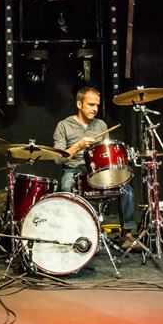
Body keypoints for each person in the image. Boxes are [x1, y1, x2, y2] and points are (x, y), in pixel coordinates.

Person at [52, 86, 136, 241]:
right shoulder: (64, 125)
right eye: (91, 104)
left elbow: (106, 153)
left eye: (97, 105)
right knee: (66, 186)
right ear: (79, 104)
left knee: (127, 189)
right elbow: (58, 159)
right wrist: (78, 146)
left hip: (98, 170)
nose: (95, 109)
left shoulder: (101, 125)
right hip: (74, 171)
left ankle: (127, 234)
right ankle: (70, 233)